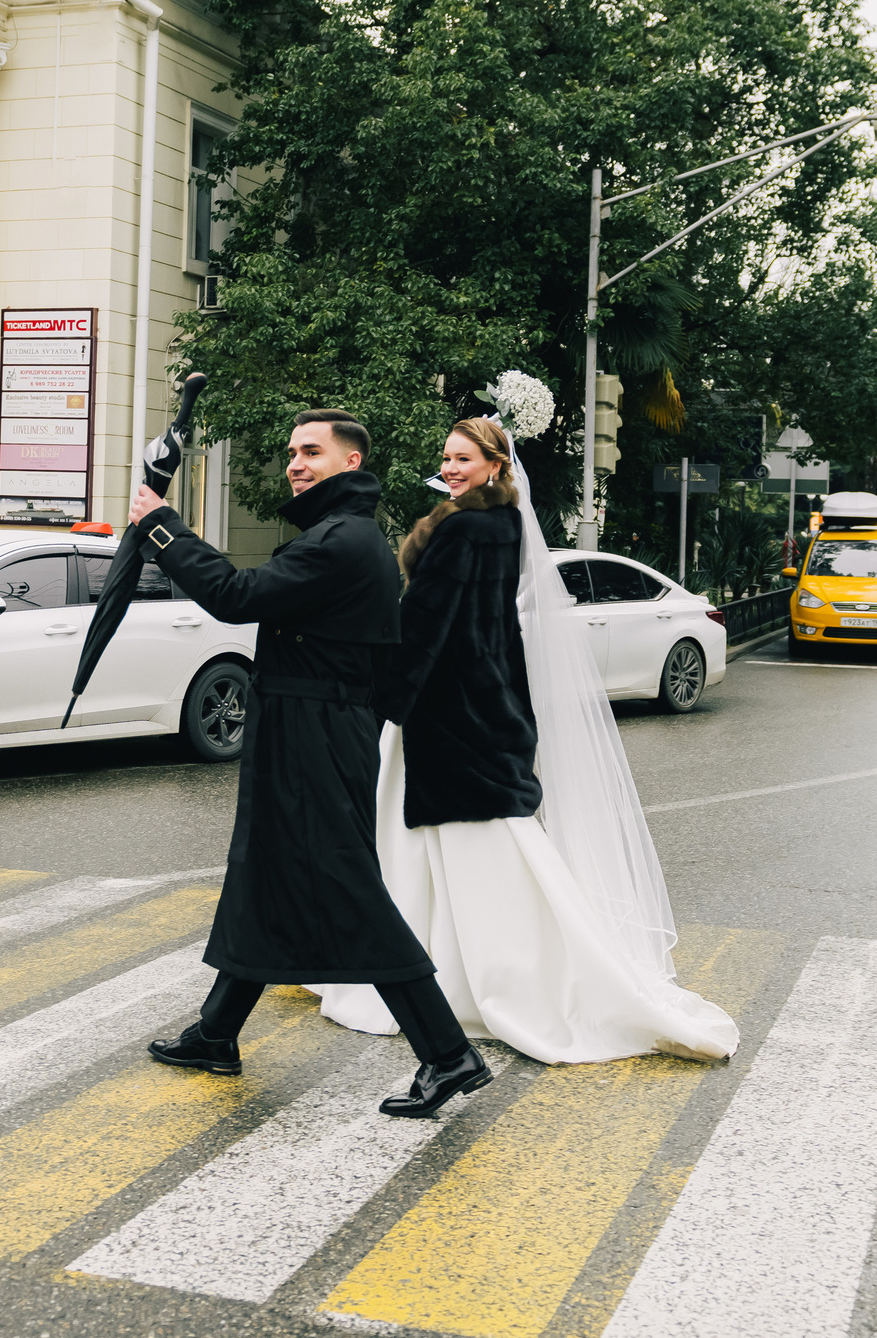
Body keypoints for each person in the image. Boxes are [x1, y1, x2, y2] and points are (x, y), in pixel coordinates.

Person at [313, 415, 738, 1065]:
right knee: (461, 852)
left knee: (458, 851)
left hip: (444, 717)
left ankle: (487, 982)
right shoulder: (501, 525)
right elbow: (491, 633)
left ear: (496, 465)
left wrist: (386, 703)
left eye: (464, 458)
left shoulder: (465, 529)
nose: (450, 467)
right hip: (477, 713)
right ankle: (455, 975)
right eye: (446, 456)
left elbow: (427, 627)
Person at [128, 410, 493, 1118]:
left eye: (312, 451)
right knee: (265, 874)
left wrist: (163, 527)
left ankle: (448, 1054)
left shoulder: (343, 540)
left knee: (347, 886)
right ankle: (216, 1032)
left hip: (318, 732)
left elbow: (239, 598)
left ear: (349, 463)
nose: (296, 462)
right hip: (303, 725)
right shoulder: (338, 535)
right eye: (293, 451)